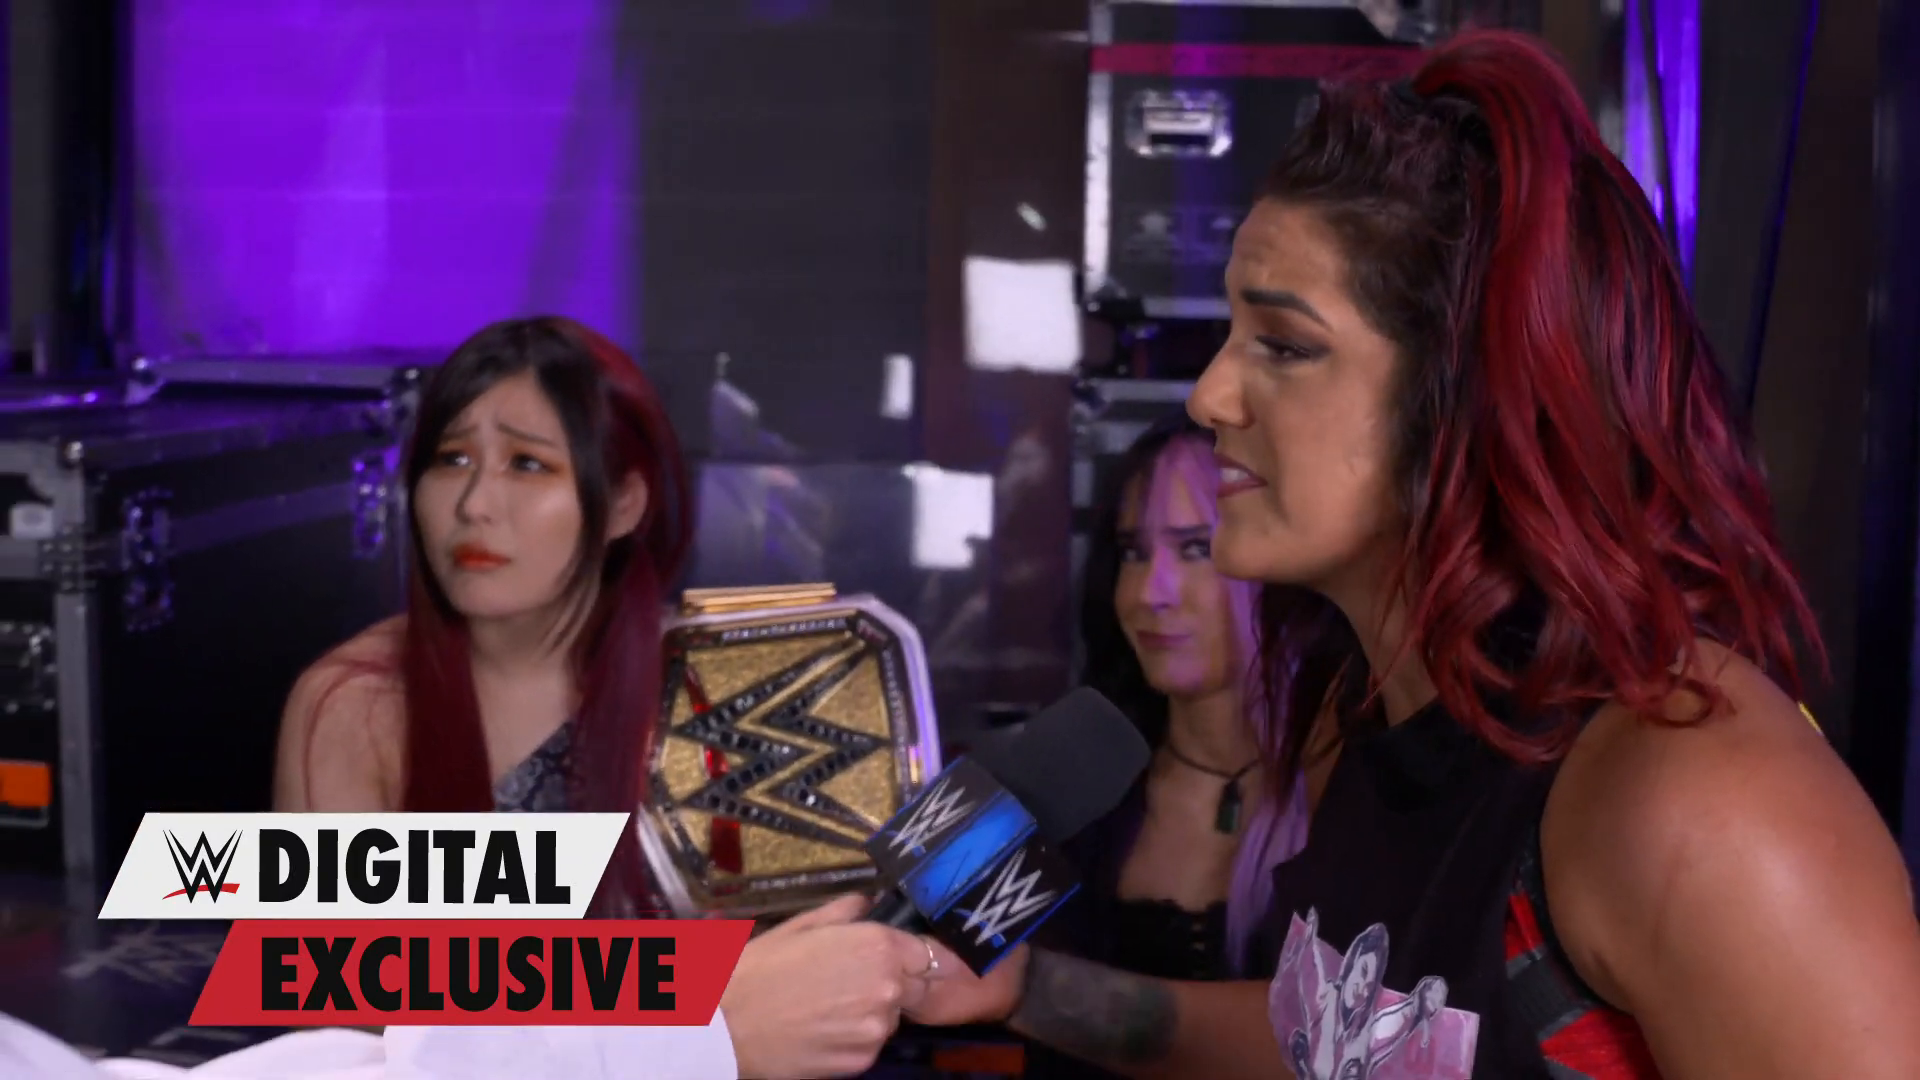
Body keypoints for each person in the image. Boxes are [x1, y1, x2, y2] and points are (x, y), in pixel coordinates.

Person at [904, 29, 1920, 1078]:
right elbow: (1352, 1045)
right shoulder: (1388, 723)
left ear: (1470, 396)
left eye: (1284, 345)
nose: (1209, 396)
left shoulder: (1693, 793)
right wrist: (1033, 990)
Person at [272, 316, 946, 1079]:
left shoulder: (739, 680)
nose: (475, 504)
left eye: (528, 464)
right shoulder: (354, 706)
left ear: (625, 502)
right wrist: (701, 1010)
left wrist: (926, 960)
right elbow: (341, 1031)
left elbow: (958, 930)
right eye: (451, 459)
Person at [1024, 415, 1309, 1080]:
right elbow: (912, 933)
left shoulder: (1363, 791)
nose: (1150, 593)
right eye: (1132, 553)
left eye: (1194, 549)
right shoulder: (1068, 783)